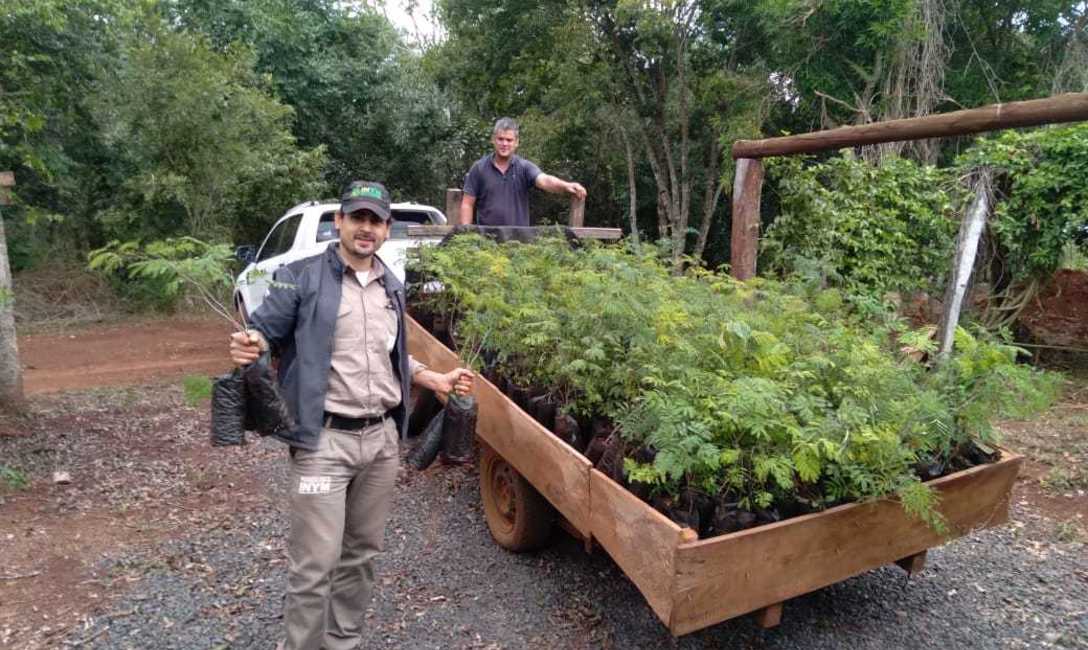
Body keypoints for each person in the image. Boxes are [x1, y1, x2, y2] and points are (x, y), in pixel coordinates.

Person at [228, 180, 474, 650]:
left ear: (386, 229)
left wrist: (432, 379)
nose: (366, 228)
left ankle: (343, 642)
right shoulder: (302, 277)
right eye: (357, 217)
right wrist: (250, 344)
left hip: (380, 443)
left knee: (360, 555)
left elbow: (390, 357)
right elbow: (263, 333)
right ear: (338, 222)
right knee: (315, 563)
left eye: (375, 220)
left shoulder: (391, 286)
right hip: (323, 443)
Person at [458, 117, 587, 226]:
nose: (504, 144)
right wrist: (467, 236)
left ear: (516, 143)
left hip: (519, 243)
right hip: (486, 246)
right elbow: (467, 204)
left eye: (509, 140)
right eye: (500, 139)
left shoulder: (524, 167)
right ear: (493, 139)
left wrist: (566, 186)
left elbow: (545, 180)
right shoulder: (479, 168)